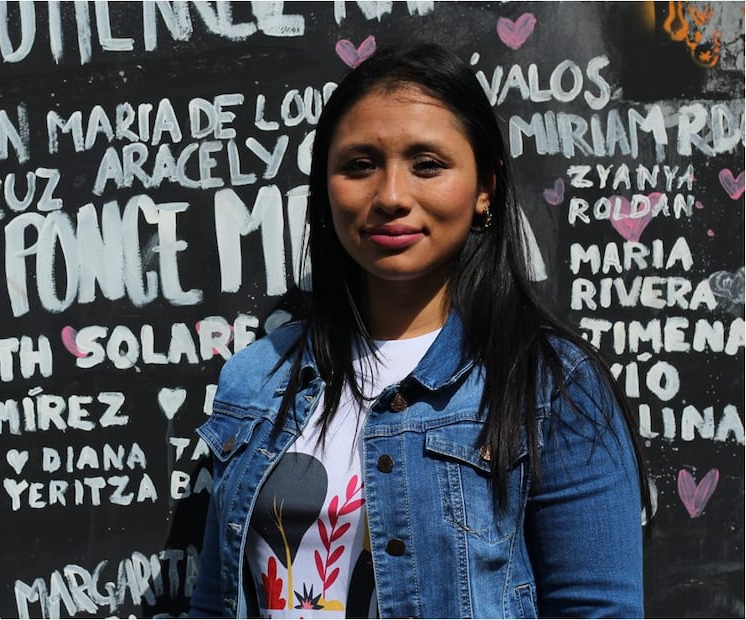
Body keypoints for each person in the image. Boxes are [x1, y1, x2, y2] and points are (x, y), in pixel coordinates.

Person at [189, 43, 649, 619]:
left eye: (427, 164)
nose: (390, 197)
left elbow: (597, 609)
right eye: (359, 165)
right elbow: (214, 601)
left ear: (486, 187)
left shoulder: (549, 385)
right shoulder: (257, 378)